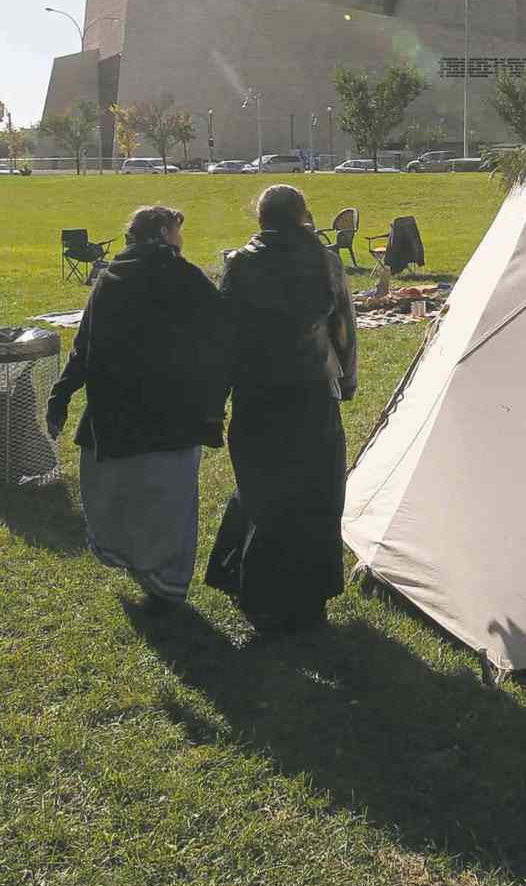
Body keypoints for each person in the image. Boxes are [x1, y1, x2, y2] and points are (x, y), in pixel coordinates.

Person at [46, 205, 228, 613]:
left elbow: (83, 346)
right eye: (178, 231)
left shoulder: (109, 278)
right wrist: (214, 405)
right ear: (164, 232)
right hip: (172, 414)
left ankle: (143, 567)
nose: (182, 240)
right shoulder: (185, 278)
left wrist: (61, 394)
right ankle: (163, 582)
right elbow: (221, 338)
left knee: (125, 494)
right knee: (167, 503)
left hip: (116, 411)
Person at [205, 183, 357, 632]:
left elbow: (223, 343)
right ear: (303, 215)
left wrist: (214, 407)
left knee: (263, 495)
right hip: (313, 394)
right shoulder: (326, 261)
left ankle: (261, 595)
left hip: (259, 396)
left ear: (261, 218)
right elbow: (343, 328)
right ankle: (310, 598)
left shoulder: (239, 264)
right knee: (316, 496)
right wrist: (346, 382)